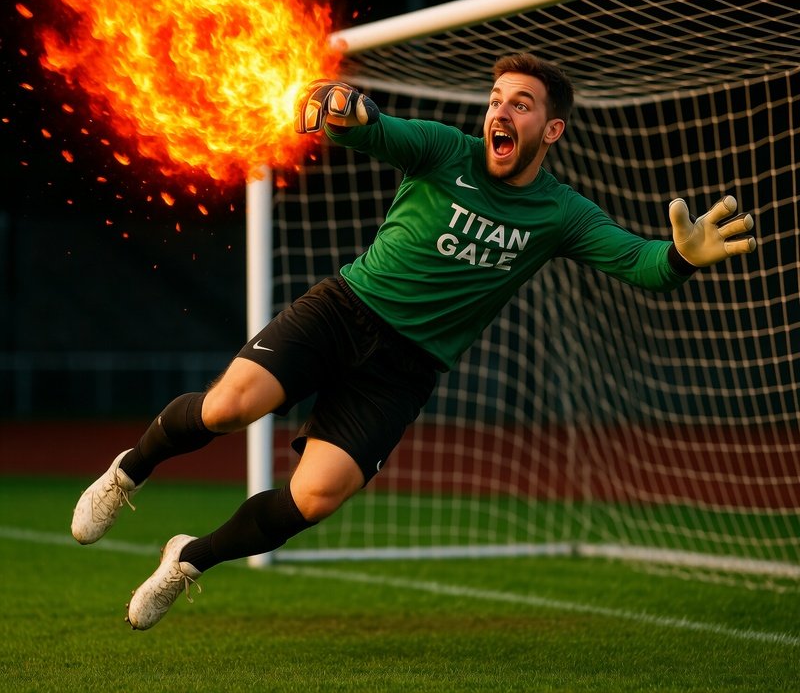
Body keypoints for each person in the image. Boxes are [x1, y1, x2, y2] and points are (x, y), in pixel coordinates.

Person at [71, 53, 757, 630]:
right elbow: (374, 131)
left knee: (317, 497)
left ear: (551, 129)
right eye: (496, 100)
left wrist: (684, 258)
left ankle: (188, 559)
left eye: (520, 105)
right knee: (228, 410)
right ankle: (128, 472)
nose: (500, 113)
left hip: (405, 369)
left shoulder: (562, 214)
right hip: (345, 309)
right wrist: (348, 110)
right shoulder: (443, 150)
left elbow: (640, 263)